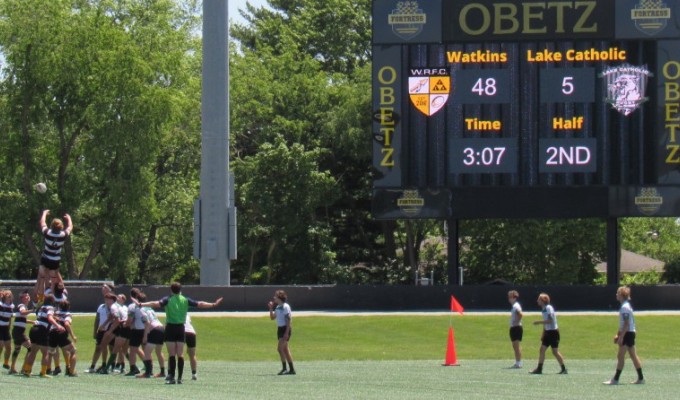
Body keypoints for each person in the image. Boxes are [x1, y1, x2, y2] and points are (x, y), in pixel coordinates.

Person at [136, 282, 222, 384]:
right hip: (181, 328)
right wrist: (213, 304)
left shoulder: (168, 299)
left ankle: (172, 377)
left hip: (170, 328)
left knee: (172, 354)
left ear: (171, 290)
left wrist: (141, 304)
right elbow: (200, 304)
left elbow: (155, 303)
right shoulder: (185, 299)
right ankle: (180, 378)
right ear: (180, 290)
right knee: (180, 354)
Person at [603, 286, 645, 385]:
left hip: (628, 334)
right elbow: (623, 324)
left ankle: (615, 379)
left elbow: (626, 324)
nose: (616, 295)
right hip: (629, 332)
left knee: (620, 355)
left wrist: (621, 337)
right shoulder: (626, 306)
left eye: (618, 293)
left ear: (621, 295)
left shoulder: (625, 307)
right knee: (633, 356)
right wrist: (618, 334)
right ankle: (641, 378)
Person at [22, 292, 65, 378]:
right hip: (42, 330)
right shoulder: (50, 308)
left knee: (33, 351)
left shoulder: (42, 307)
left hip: (34, 329)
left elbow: (44, 317)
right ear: (52, 301)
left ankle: (27, 370)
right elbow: (49, 318)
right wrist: (58, 325)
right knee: (45, 353)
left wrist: (55, 318)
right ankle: (43, 372)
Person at [34, 209, 73, 300]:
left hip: (46, 258)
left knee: (42, 278)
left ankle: (41, 298)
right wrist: (69, 219)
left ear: (52, 226)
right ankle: (54, 295)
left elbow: (42, 223)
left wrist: (44, 214)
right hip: (55, 260)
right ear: (61, 227)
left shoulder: (48, 233)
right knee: (54, 277)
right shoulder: (63, 235)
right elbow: (70, 227)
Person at [530, 293, 567, 375]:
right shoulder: (543, 309)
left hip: (553, 332)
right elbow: (546, 323)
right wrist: (543, 333)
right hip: (548, 332)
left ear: (543, 300)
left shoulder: (548, 308)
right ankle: (539, 369)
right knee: (542, 349)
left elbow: (550, 320)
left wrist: (538, 322)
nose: (537, 301)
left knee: (555, 352)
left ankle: (564, 369)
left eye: (539, 299)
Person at [136, 294, 166, 379]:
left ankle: (148, 372)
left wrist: (145, 336)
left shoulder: (141, 309)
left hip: (155, 330)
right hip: (161, 328)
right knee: (159, 351)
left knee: (147, 351)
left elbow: (147, 323)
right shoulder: (150, 308)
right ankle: (162, 372)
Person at [85, 284, 114, 373]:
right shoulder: (101, 307)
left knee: (112, 349)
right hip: (101, 331)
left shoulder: (114, 306)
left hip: (111, 330)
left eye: (105, 288)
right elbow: (97, 320)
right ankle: (93, 366)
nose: (103, 289)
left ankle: (112, 366)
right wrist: (95, 331)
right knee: (99, 348)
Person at [268, 290, 295, 375]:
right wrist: (271, 308)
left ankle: (284, 368)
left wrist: (286, 333)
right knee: (285, 350)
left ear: (279, 297)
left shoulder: (285, 307)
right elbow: (272, 318)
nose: (274, 298)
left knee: (279, 349)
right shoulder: (278, 307)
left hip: (285, 329)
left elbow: (288, 320)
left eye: (275, 296)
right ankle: (292, 370)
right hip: (280, 329)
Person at [49, 299, 78, 377]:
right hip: (61, 334)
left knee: (52, 351)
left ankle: (48, 369)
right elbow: (67, 324)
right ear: (69, 307)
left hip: (52, 332)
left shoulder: (56, 313)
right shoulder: (68, 314)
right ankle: (71, 371)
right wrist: (73, 336)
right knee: (73, 351)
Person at [10, 290, 34, 374]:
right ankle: (24, 369)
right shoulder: (22, 305)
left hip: (16, 331)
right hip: (19, 332)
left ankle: (12, 368)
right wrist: (32, 310)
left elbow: (22, 318)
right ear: (22, 298)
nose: (27, 297)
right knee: (31, 348)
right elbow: (22, 312)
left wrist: (32, 322)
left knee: (17, 349)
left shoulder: (24, 306)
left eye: (28, 295)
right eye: (25, 296)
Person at [125, 288, 146, 376]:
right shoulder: (146, 305)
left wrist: (126, 325)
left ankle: (133, 368)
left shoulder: (132, 306)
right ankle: (149, 367)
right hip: (146, 329)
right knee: (146, 349)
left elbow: (130, 319)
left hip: (137, 329)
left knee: (133, 350)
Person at [508, 290, 523, 369]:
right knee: (515, 346)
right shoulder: (514, 306)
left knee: (516, 346)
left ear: (514, 298)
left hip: (517, 328)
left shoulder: (516, 306)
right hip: (514, 328)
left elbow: (520, 314)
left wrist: (516, 322)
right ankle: (518, 361)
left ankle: (519, 363)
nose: (509, 299)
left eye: (510, 297)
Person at [0, 290, 14, 370]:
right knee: (1, 346)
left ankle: (6, 363)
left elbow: (9, 318)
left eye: (10, 294)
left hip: (6, 328)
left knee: (8, 347)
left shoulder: (11, 306)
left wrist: (9, 326)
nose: (9, 295)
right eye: (8, 294)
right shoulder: (1, 305)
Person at [184, 314, 199, 380]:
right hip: (191, 332)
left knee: (176, 352)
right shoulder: (187, 314)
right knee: (192, 354)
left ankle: (172, 373)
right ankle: (194, 373)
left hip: (182, 331)